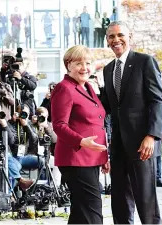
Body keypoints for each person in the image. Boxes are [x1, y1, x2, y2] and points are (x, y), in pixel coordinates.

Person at [100, 21, 162, 224]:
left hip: (142, 144)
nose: (115, 40)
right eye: (111, 36)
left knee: (146, 200)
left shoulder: (145, 62)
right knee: (119, 200)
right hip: (118, 146)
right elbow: (110, 107)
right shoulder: (108, 69)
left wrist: (152, 135)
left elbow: (158, 100)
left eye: (120, 35)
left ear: (130, 36)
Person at [51, 45, 109, 224]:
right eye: (78, 63)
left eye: (88, 63)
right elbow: (59, 125)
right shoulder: (64, 88)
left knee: (80, 212)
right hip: (75, 159)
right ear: (68, 65)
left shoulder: (87, 87)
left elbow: (97, 123)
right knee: (92, 211)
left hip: (90, 157)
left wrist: (104, 156)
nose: (85, 67)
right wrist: (82, 141)